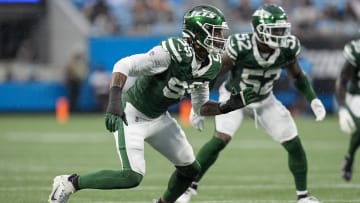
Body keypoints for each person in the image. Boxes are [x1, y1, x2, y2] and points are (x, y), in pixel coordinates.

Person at [48, 5, 259, 203]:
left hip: (159, 118)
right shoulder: (173, 51)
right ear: (197, 33)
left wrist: (230, 104)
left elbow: (201, 106)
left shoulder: (212, 64)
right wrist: (114, 101)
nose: (220, 38)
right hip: (132, 115)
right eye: (215, 32)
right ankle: (70, 182)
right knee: (131, 177)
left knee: (191, 170)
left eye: (220, 32)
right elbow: (125, 64)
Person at [177, 4, 326, 203]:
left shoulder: (287, 47)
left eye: (282, 30)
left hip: (265, 100)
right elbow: (214, 74)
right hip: (233, 99)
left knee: (294, 144)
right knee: (220, 139)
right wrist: (199, 102)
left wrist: (313, 99)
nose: (280, 35)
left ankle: (303, 197)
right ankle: (188, 188)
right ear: (259, 30)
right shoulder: (241, 46)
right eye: (275, 30)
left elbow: (297, 76)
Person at [335, 38, 360, 182]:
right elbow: (342, 79)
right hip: (357, 95)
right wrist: (342, 108)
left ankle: (349, 157)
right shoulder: (357, 51)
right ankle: (349, 157)